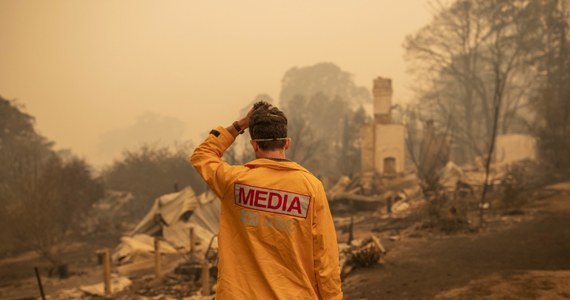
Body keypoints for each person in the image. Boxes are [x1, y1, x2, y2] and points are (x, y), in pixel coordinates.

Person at [190, 101, 343, 299]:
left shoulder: (233, 182)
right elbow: (325, 256)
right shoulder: (311, 187)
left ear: (254, 144)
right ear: (287, 142)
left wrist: (240, 125)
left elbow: (202, 155)